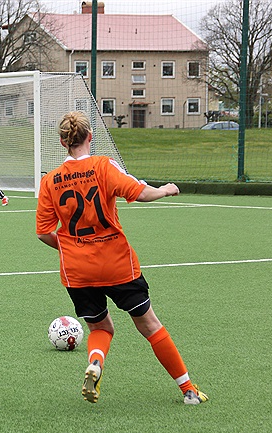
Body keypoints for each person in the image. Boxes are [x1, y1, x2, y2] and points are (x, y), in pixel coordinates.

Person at [35, 111, 208, 405]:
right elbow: (141, 193)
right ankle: (188, 390)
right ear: (90, 136)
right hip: (117, 264)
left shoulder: (50, 181)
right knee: (150, 325)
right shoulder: (103, 166)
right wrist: (166, 189)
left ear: (63, 141)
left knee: (101, 328)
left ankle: (96, 362)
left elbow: (43, 233)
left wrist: (70, 247)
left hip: (77, 271)